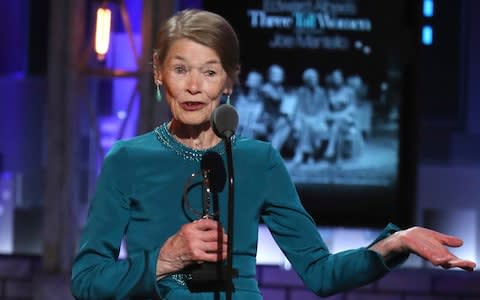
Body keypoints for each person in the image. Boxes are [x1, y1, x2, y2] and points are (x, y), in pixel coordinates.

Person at [70, 9, 476, 300]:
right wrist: (163, 259)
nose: (194, 86)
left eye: (209, 72)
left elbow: (321, 273)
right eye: (180, 70)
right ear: (158, 72)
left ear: (229, 80)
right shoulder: (127, 159)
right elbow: (87, 281)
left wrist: (396, 243)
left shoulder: (258, 161)